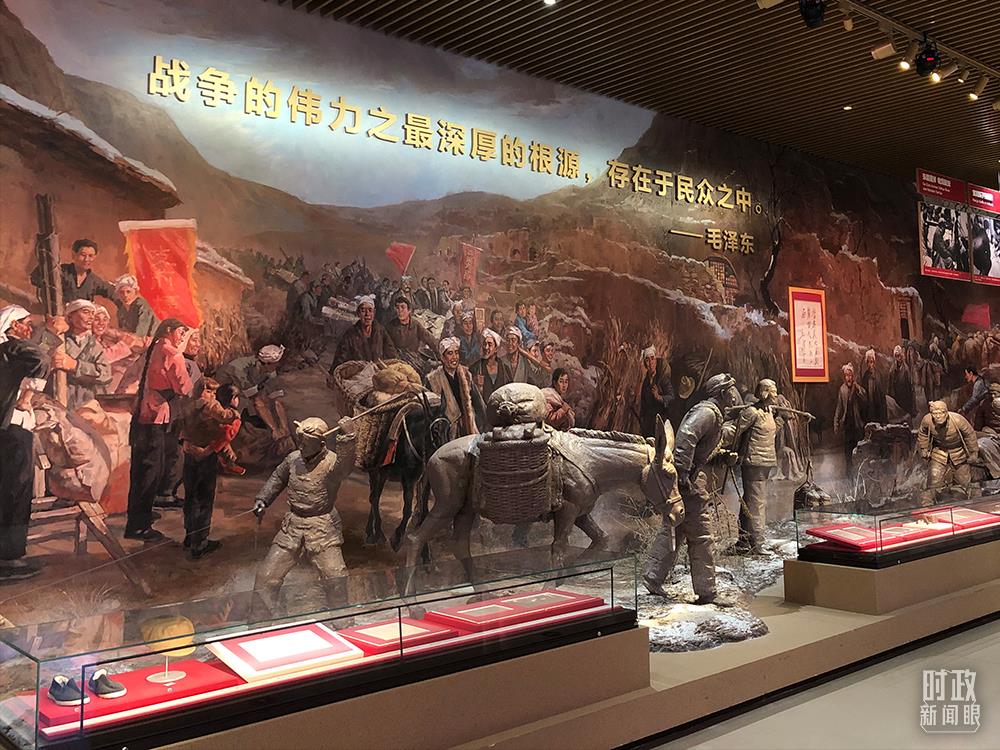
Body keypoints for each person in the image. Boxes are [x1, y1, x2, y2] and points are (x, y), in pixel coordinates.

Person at [644, 373, 739, 606]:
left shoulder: (713, 414)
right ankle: (707, 591)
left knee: (675, 529)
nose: (734, 394)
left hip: (690, 478)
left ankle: (653, 576)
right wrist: (684, 473)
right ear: (722, 393)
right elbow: (686, 438)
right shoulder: (708, 413)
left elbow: (701, 449)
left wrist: (722, 457)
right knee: (702, 535)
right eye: (730, 390)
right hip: (690, 483)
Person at [253, 416, 356, 609]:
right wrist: (263, 499)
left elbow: (345, 467)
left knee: (336, 578)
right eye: (300, 441)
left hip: (322, 527)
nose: (301, 447)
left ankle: (342, 621)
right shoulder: (293, 459)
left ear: (321, 444)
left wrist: (348, 438)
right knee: (265, 578)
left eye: (306, 444)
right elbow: (277, 478)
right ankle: (259, 620)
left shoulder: (331, 463)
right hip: (292, 526)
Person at [125, 319, 193, 542]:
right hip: (156, 416)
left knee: (140, 470)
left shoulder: (151, 350)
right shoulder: (172, 353)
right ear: (169, 330)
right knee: (151, 471)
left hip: (142, 416)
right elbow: (184, 387)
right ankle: (139, 526)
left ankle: (138, 516)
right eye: (181, 332)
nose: (182, 337)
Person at [0, 306, 48, 580]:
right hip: (15, 430)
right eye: (25, 323)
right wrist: (27, 398)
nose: (30, 329)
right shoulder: (13, 347)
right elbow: (42, 358)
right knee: (16, 492)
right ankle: (10, 559)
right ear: (13, 326)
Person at [181, 379, 241, 559]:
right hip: (205, 456)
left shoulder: (188, 406)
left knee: (191, 498)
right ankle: (200, 542)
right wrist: (235, 413)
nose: (213, 396)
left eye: (214, 393)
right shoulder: (210, 405)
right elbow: (225, 417)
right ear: (201, 391)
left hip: (190, 454)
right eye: (209, 391)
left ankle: (190, 536)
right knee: (204, 498)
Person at [727, 379, 779, 555]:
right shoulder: (752, 412)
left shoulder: (769, 411)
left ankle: (747, 541)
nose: (776, 394)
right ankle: (756, 542)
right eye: (773, 391)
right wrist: (730, 451)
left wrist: (782, 420)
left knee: (751, 501)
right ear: (764, 392)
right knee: (756, 503)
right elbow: (736, 432)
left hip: (764, 462)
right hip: (754, 463)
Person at [217, 344, 293, 454]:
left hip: (244, 397)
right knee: (257, 435)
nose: (278, 365)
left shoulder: (270, 371)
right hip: (226, 397)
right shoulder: (239, 369)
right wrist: (275, 431)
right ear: (267, 363)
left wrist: (285, 430)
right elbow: (257, 402)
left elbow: (276, 400)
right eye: (275, 364)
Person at [39, 299, 111, 411]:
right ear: (70, 317)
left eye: (92, 313)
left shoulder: (94, 346)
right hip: (54, 400)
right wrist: (51, 332)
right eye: (86, 312)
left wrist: (75, 366)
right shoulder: (58, 338)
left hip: (84, 404)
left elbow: (105, 375)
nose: (91, 317)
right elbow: (38, 355)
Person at [917, 401, 979, 500]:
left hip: (958, 452)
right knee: (934, 479)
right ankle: (930, 504)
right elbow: (923, 434)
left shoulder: (958, 420)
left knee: (964, 481)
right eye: (935, 413)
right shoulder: (927, 420)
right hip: (939, 452)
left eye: (941, 413)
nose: (938, 416)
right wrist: (924, 448)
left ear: (946, 412)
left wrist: (974, 452)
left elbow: (970, 435)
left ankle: (968, 503)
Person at [425, 338, 484, 439]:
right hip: (446, 432)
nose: (454, 357)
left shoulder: (466, 374)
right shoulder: (433, 379)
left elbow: (478, 404)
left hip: (468, 428)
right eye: (450, 353)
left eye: (456, 353)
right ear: (443, 358)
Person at [30, 238, 115, 304]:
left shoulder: (94, 281)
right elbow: (34, 278)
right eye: (83, 255)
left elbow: (111, 291)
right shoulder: (61, 271)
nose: (86, 259)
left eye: (90, 256)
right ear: (74, 255)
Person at [330, 295, 397, 370]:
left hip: (378, 373)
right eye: (363, 311)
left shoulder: (381, 331)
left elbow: (392, 355)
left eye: (370, 310)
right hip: (357, 374)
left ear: (374, 312)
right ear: (358, 313)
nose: (367, 314)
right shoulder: (350, 334)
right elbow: (340, 360)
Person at [833, 363, 867, 477]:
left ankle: (859, 474)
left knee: (858, 450)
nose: (849, 378)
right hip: (847, 424)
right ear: (844, 376)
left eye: (850, 375)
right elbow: (839, 407)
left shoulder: (856, 387)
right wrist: (836, 422)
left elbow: (864, 398)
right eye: (847, 375)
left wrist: (858, 389)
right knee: (848, 451)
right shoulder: (842, 389)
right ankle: (849, 474)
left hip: (857, 424)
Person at [469, 328, 512, 408]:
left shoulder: (505, 369)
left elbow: (511, 392)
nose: (486, 347)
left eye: (490, 344)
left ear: (496, 349)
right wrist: (475, 384)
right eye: (484, 344)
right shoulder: (475, 368)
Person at [639, 346, 674, 437]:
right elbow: (644, 406)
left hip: (662, 423)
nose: (650, 362)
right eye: (647, 360)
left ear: (656, 360)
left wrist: (659, 397)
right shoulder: (646, 383)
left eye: (652, 358)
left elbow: (671, 397)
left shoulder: (663, 379)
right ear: (645, 363)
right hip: (650, 426)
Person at [113, 274, 159, 339]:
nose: (125, 295)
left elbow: (140, 334)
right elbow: (122, 331)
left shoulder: (142, 306)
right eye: (121, 292)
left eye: (128, 292)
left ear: (135, 291)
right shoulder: (121, 311)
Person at [888, 345, 915, 420]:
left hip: (905, 396)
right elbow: (890, 384)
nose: (898, 358)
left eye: (899, 356)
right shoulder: (892, 369)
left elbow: (909, 385)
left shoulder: (906, 369)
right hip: (896, 396)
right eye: (896, 356)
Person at [859, 349, 886, 425]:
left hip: (877, 403)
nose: (870, 364)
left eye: (871, 362)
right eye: (868, 362)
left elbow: (881, 393)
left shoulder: (878, 374)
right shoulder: (865, 376)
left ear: (874, 362)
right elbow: (864, 392)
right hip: (869, 404)